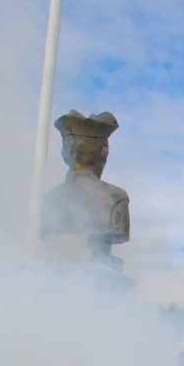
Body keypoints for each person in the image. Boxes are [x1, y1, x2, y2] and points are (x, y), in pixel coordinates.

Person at [41, 110, 130, 270]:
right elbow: (119, 233)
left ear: (64, 153)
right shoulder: (116, 198)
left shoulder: (48, 199)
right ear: (104, 153)